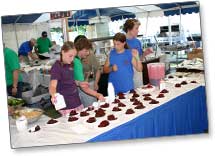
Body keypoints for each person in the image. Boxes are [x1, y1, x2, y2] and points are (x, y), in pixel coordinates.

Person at [49, 41, 104, 116]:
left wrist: (79, 83)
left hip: (77, 102)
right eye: (70, 56)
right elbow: (52, 85)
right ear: (62, 52)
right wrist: (53, 95)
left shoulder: (70, 64)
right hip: (66, 106)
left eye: (74, 56)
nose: (72, 59)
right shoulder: (57, 67)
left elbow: (70, 80)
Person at [74, 36, 104, 107]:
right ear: (80, 49)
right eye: (86, 51)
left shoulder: (75, 60)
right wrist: (97, 94)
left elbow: (98, 69)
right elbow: (83, 85)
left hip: (83, 87)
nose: (88, 53)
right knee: (91, 109)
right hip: (81, 89)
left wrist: (95, 83)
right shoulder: (77, 62)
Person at [123, 19, 144, 88]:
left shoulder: (137, 41)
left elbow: (140, 58)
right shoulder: (121, 42)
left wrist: (145, 53)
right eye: (136, 28)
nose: (138, 31)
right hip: (127, 73)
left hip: (138, 73)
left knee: (140, 93)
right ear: (129, 29)